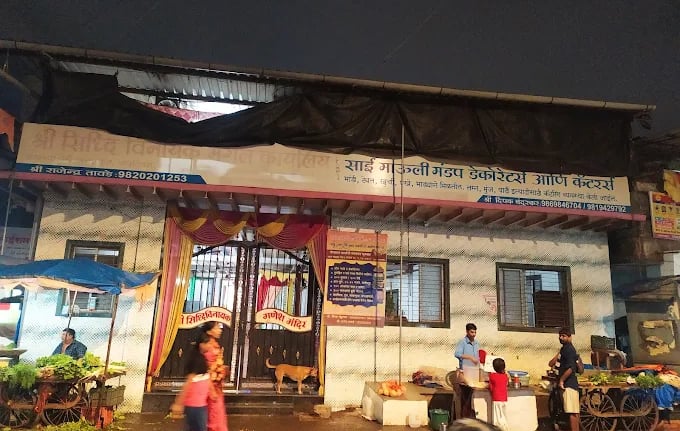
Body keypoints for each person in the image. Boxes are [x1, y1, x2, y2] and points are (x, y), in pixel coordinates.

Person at [170, 344, 210, 431]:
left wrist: (178, 403)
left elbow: (184, 391)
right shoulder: (206, 377)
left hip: (191, 407)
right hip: (200, 408)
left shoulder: (193, 377)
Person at [199, 322, 228, 431]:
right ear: (209, 331)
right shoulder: (207, 345)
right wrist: (211, 388)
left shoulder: (214, 343)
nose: (220, 330)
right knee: (214, 416)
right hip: (210, 386)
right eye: (217, 328)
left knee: (215, 414)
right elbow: (207, 369)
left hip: (216, 385)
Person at [548, 327, 580, 431]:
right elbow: (551, 363)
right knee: (572, 412)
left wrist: (562, 380)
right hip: (566, 385)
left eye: (564, 336)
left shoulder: (570, 350)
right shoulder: (564, 349)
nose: (561, 338)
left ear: (570, 337)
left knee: (572, 413)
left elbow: (571, 368)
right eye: (560, 336)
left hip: (569, 385)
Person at [488, 358, 508, 431]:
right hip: (504, 399)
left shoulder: (492, 376)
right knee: (503, 416)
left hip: (496, 399)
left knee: (497, 418)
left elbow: (491, 388)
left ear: (494, 367)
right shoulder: (505, 376)